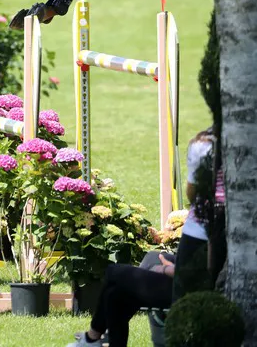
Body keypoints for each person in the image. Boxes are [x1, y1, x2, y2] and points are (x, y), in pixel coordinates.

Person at [68, 127, 214, 347]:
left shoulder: (216, 211)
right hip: (184, 276)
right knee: (118, 294)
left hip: (188, 288)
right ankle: (92, 339)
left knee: (113, 272)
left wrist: (168, 270)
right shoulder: (207, 204)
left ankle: (91, 339)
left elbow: (211, 268)